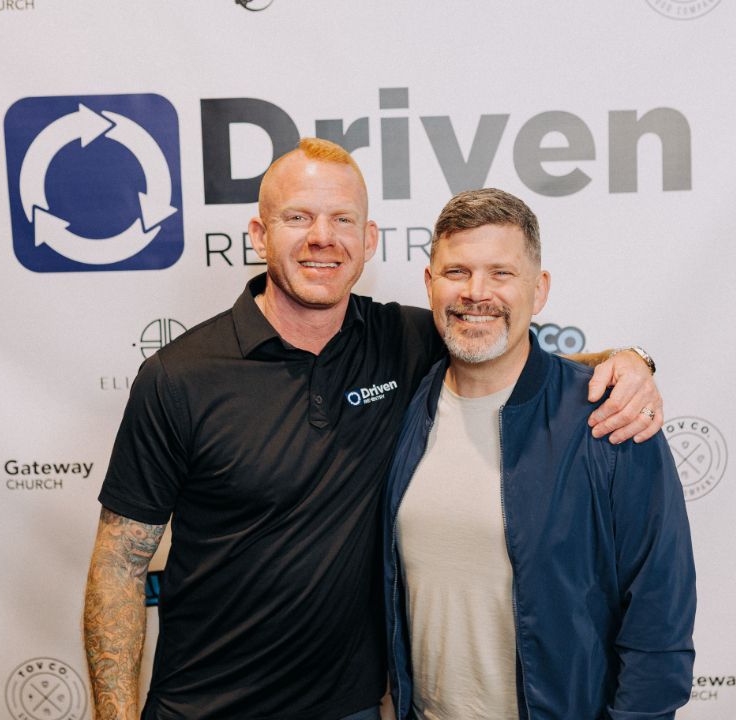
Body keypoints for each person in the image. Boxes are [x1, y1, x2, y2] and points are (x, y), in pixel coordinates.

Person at [83, 139, 664, 720]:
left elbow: (500, 343)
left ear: (368, 241)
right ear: (259, 235)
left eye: (343, 219)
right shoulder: (179, 376)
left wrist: (630, 360)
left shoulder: (402, 342)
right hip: (204, 708)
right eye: (298, 217)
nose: (322, 237)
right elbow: (119, 564)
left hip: (353, 709)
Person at [383, 188, 695, 720]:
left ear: (539, 288)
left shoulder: (610, 420)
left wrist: (634, 359)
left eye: (501, 274)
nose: (476, 293)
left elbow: (659, 621)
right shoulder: (400, 403)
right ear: (431, 284)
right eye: (457, 272)